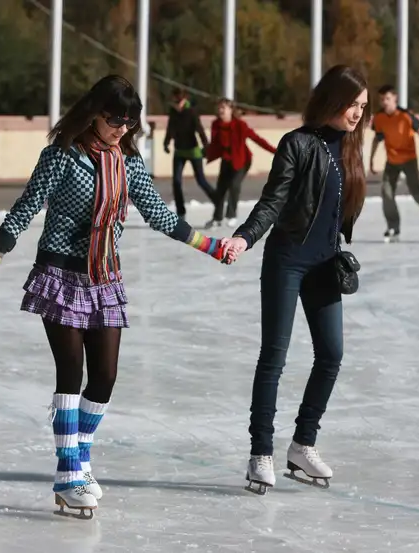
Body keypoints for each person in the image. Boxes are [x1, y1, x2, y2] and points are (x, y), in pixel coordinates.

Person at [0, 75, 232, 518]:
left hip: (104, 278)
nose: (122, 130)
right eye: (114, 120)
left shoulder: (128, 163)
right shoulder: (62, 156)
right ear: (95, 112)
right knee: (71, 372)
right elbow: (25, 209)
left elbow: (162, 216)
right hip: (60, 275)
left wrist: (212, 246)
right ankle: (69, 473)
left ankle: (77, 456)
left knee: (104, 377)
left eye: (129, 123)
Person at [224, 65, 369, 495]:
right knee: (275, 356)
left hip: (325, 263)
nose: (358, 114)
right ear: (331, 100)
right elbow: (274, 201)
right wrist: (245, 238)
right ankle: (261, 452)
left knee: (332, 354)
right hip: (288, 260)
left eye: (363, 107)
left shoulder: (351, 147)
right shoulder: (298, 143)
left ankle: (303, 443)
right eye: (352, 105)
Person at [369, 84, 419, 242]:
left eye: (388, 99)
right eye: (382, 99)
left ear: (395, 99)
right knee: (386, 192)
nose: (385, 102)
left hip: (409, 159)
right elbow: (377, 138)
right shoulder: (379, 118)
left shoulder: (405, 115)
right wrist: (371, 160)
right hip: (392, 161)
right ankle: (393, 227)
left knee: (416, 193)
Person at [205, 99, 276, 229]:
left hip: (242, 161)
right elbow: (214, 143)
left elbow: (257, 139)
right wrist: (206, 153)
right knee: (220, 189)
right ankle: (217, 218)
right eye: (219, 107)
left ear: (231, 110)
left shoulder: (240, 125)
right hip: (227, 160)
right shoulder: (216, 124)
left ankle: (231, 216)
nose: (221, 110)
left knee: (234, 185)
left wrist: (276, 151)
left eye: (224, 108)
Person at [164, 88, 216, 218]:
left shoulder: (191, 111)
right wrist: (166, 143)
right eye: (175, 102)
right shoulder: (173, 112)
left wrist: (206, 147)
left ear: (184, 100)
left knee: (201, 180)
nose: (177, 105)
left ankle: (218, 202)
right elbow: (170, 128)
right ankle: (180, 211)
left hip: (193, 150)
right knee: (176, 181)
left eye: (179, 102)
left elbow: (199, 129)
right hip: (179, 151)